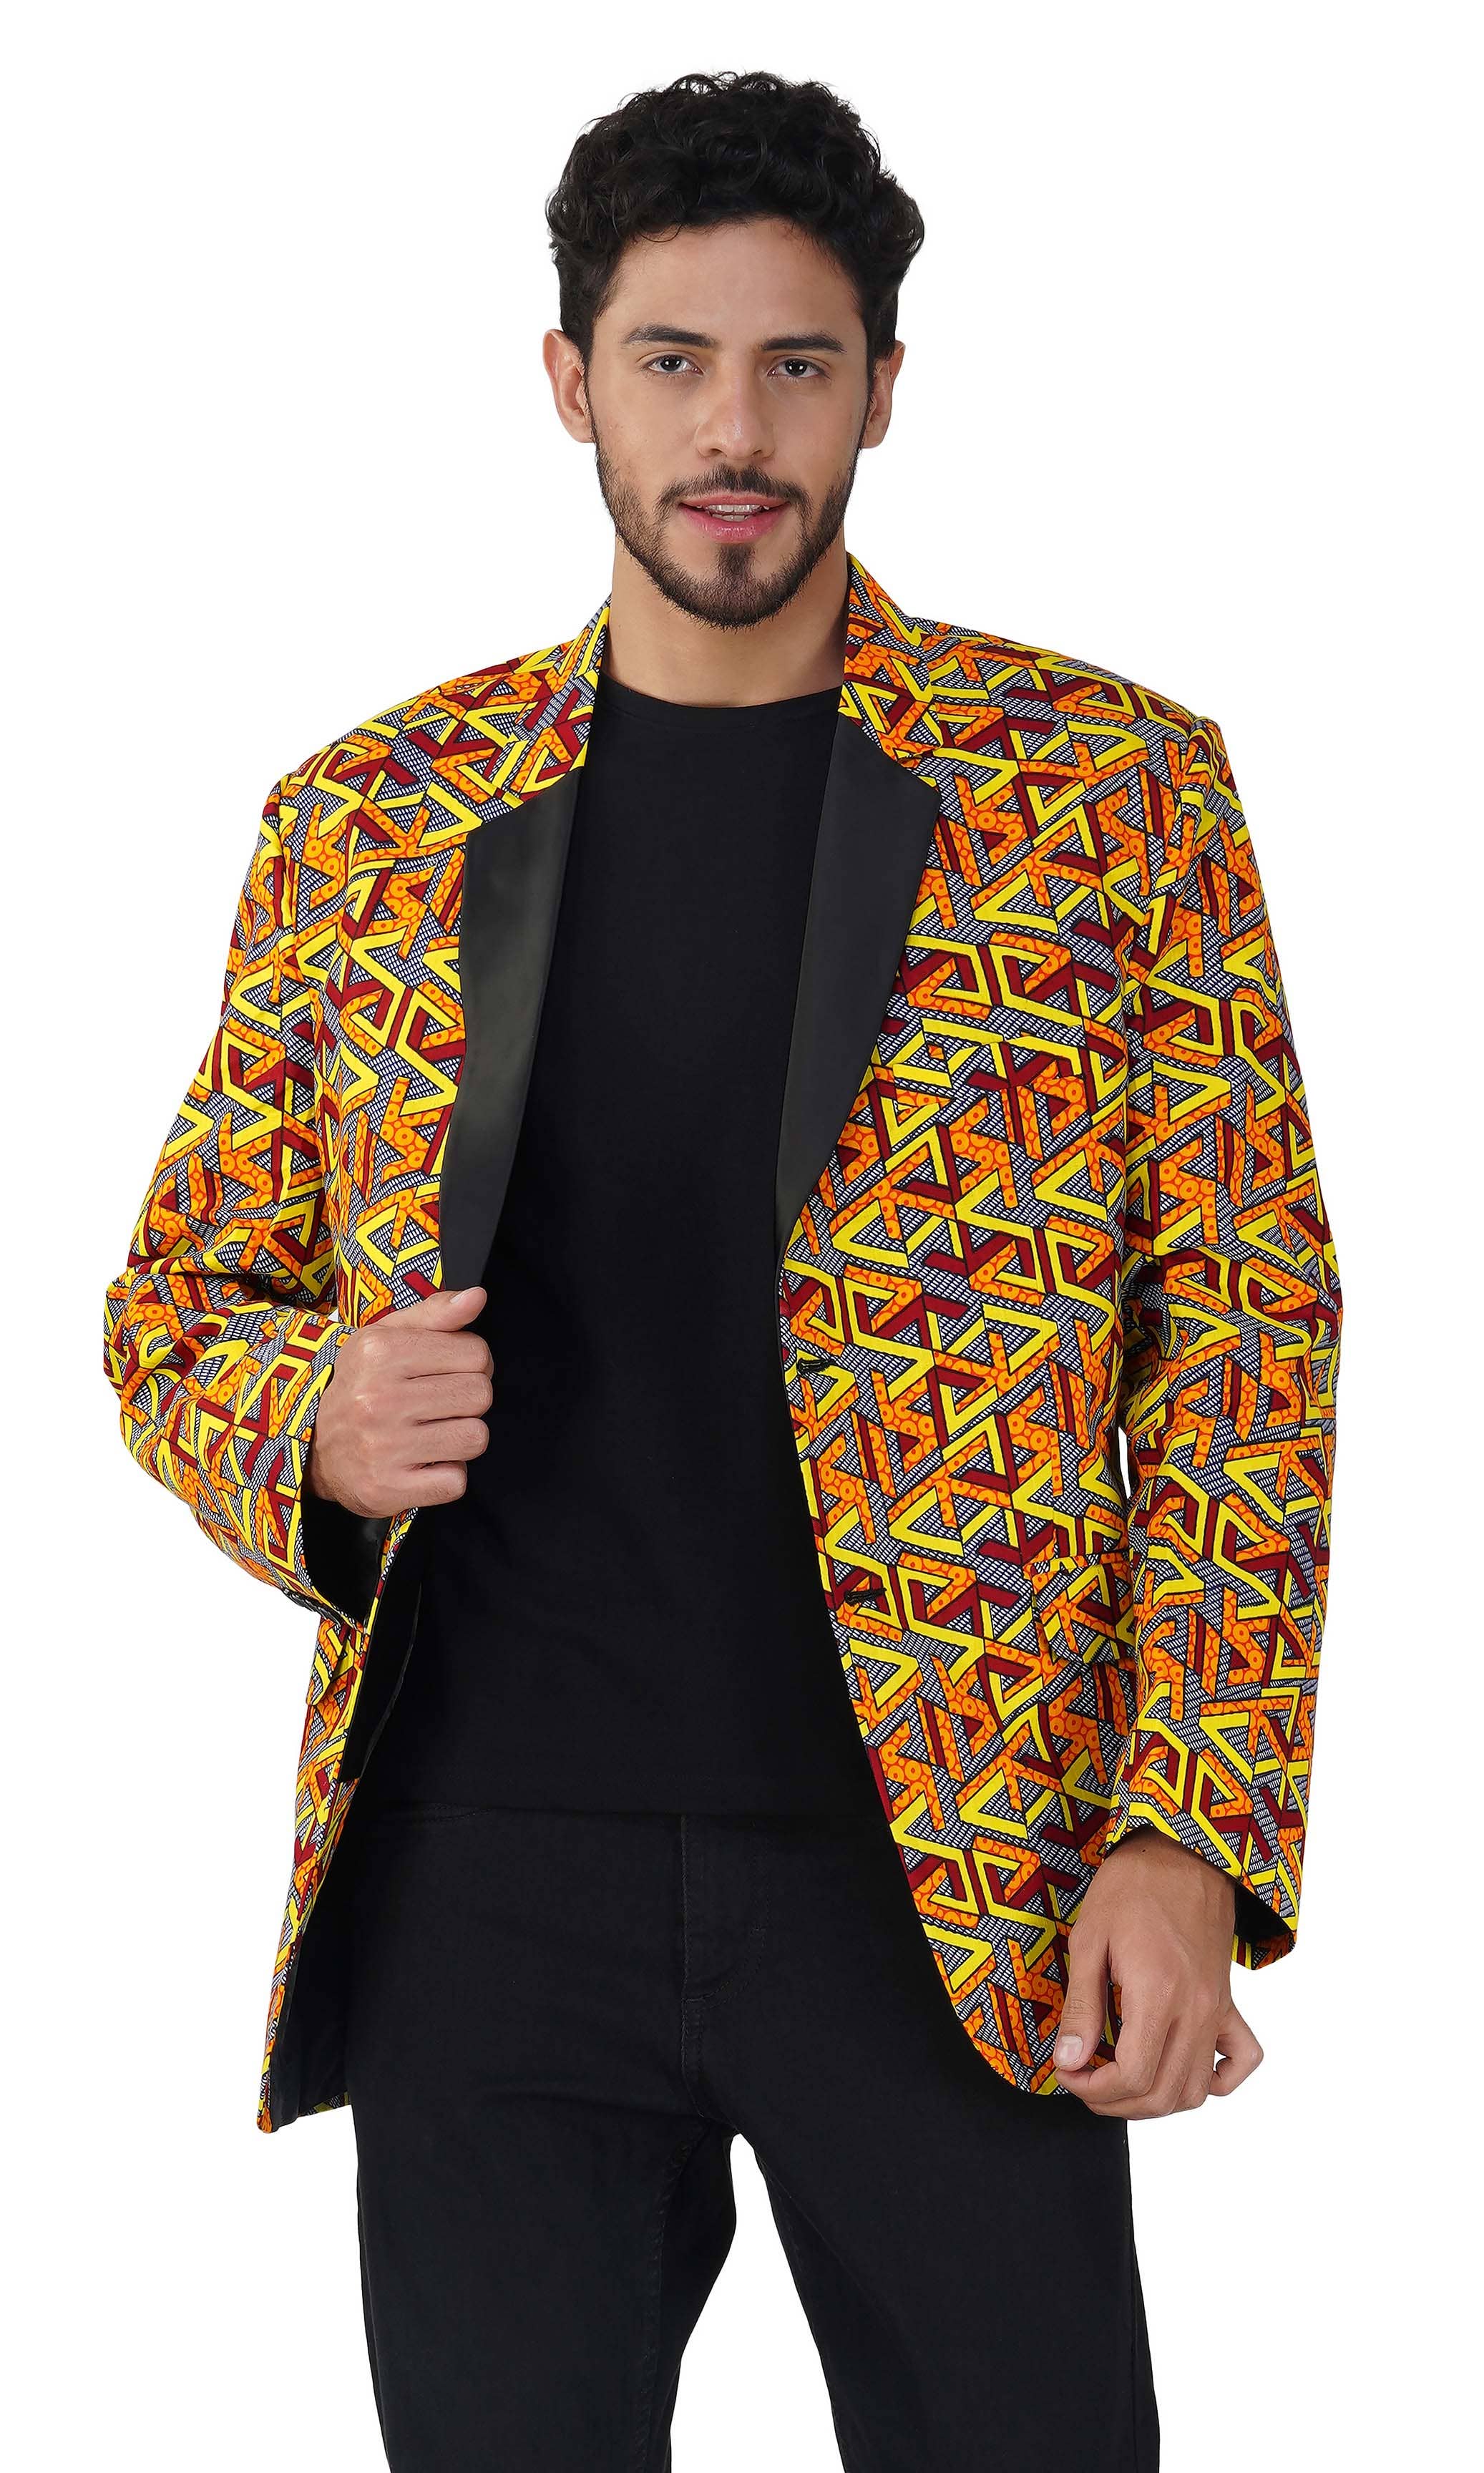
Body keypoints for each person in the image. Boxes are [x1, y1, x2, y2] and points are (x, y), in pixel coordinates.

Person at [102, 67, 1342, 2473]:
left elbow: (1244, 1332)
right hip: (483, 1879)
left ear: (883, 386)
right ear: (570, 382)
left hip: (960, 1871)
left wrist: (1187, 1826)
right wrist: (304, 1423)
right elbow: (179, 1302)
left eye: (796, 363)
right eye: (671, 361)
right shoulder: (367, 822)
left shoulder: (1111, 795)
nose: (735, 432)